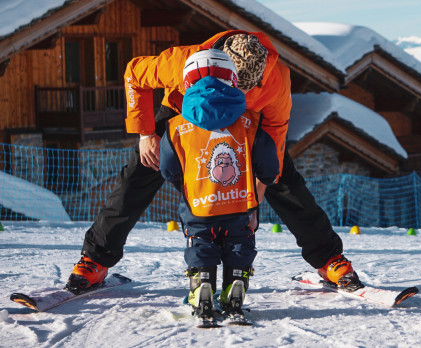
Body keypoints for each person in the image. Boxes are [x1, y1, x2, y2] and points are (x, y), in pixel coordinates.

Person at [67, 31, 362, 294]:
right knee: (137, 177)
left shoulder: (276, 79)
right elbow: (134, 73)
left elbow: (276, 135)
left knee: (286, 182)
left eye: (248, 91)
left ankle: (329, 259)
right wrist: (146, 133)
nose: (242, 94)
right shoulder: (181, 61)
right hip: (185, 112)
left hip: (244, 126)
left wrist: (261, 184)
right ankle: (95, 261)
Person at [159, 48, 279, 319]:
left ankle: (202, 283)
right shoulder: (250, 122)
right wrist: (266, 180)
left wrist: (186, 184)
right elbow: (268, 164)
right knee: (240, 242)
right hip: (240, 204)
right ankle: (235, 283)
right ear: (233, 80)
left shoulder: (175, 126)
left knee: (200, 242)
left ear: (187, 81)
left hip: (198, 204)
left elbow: (167, 168)